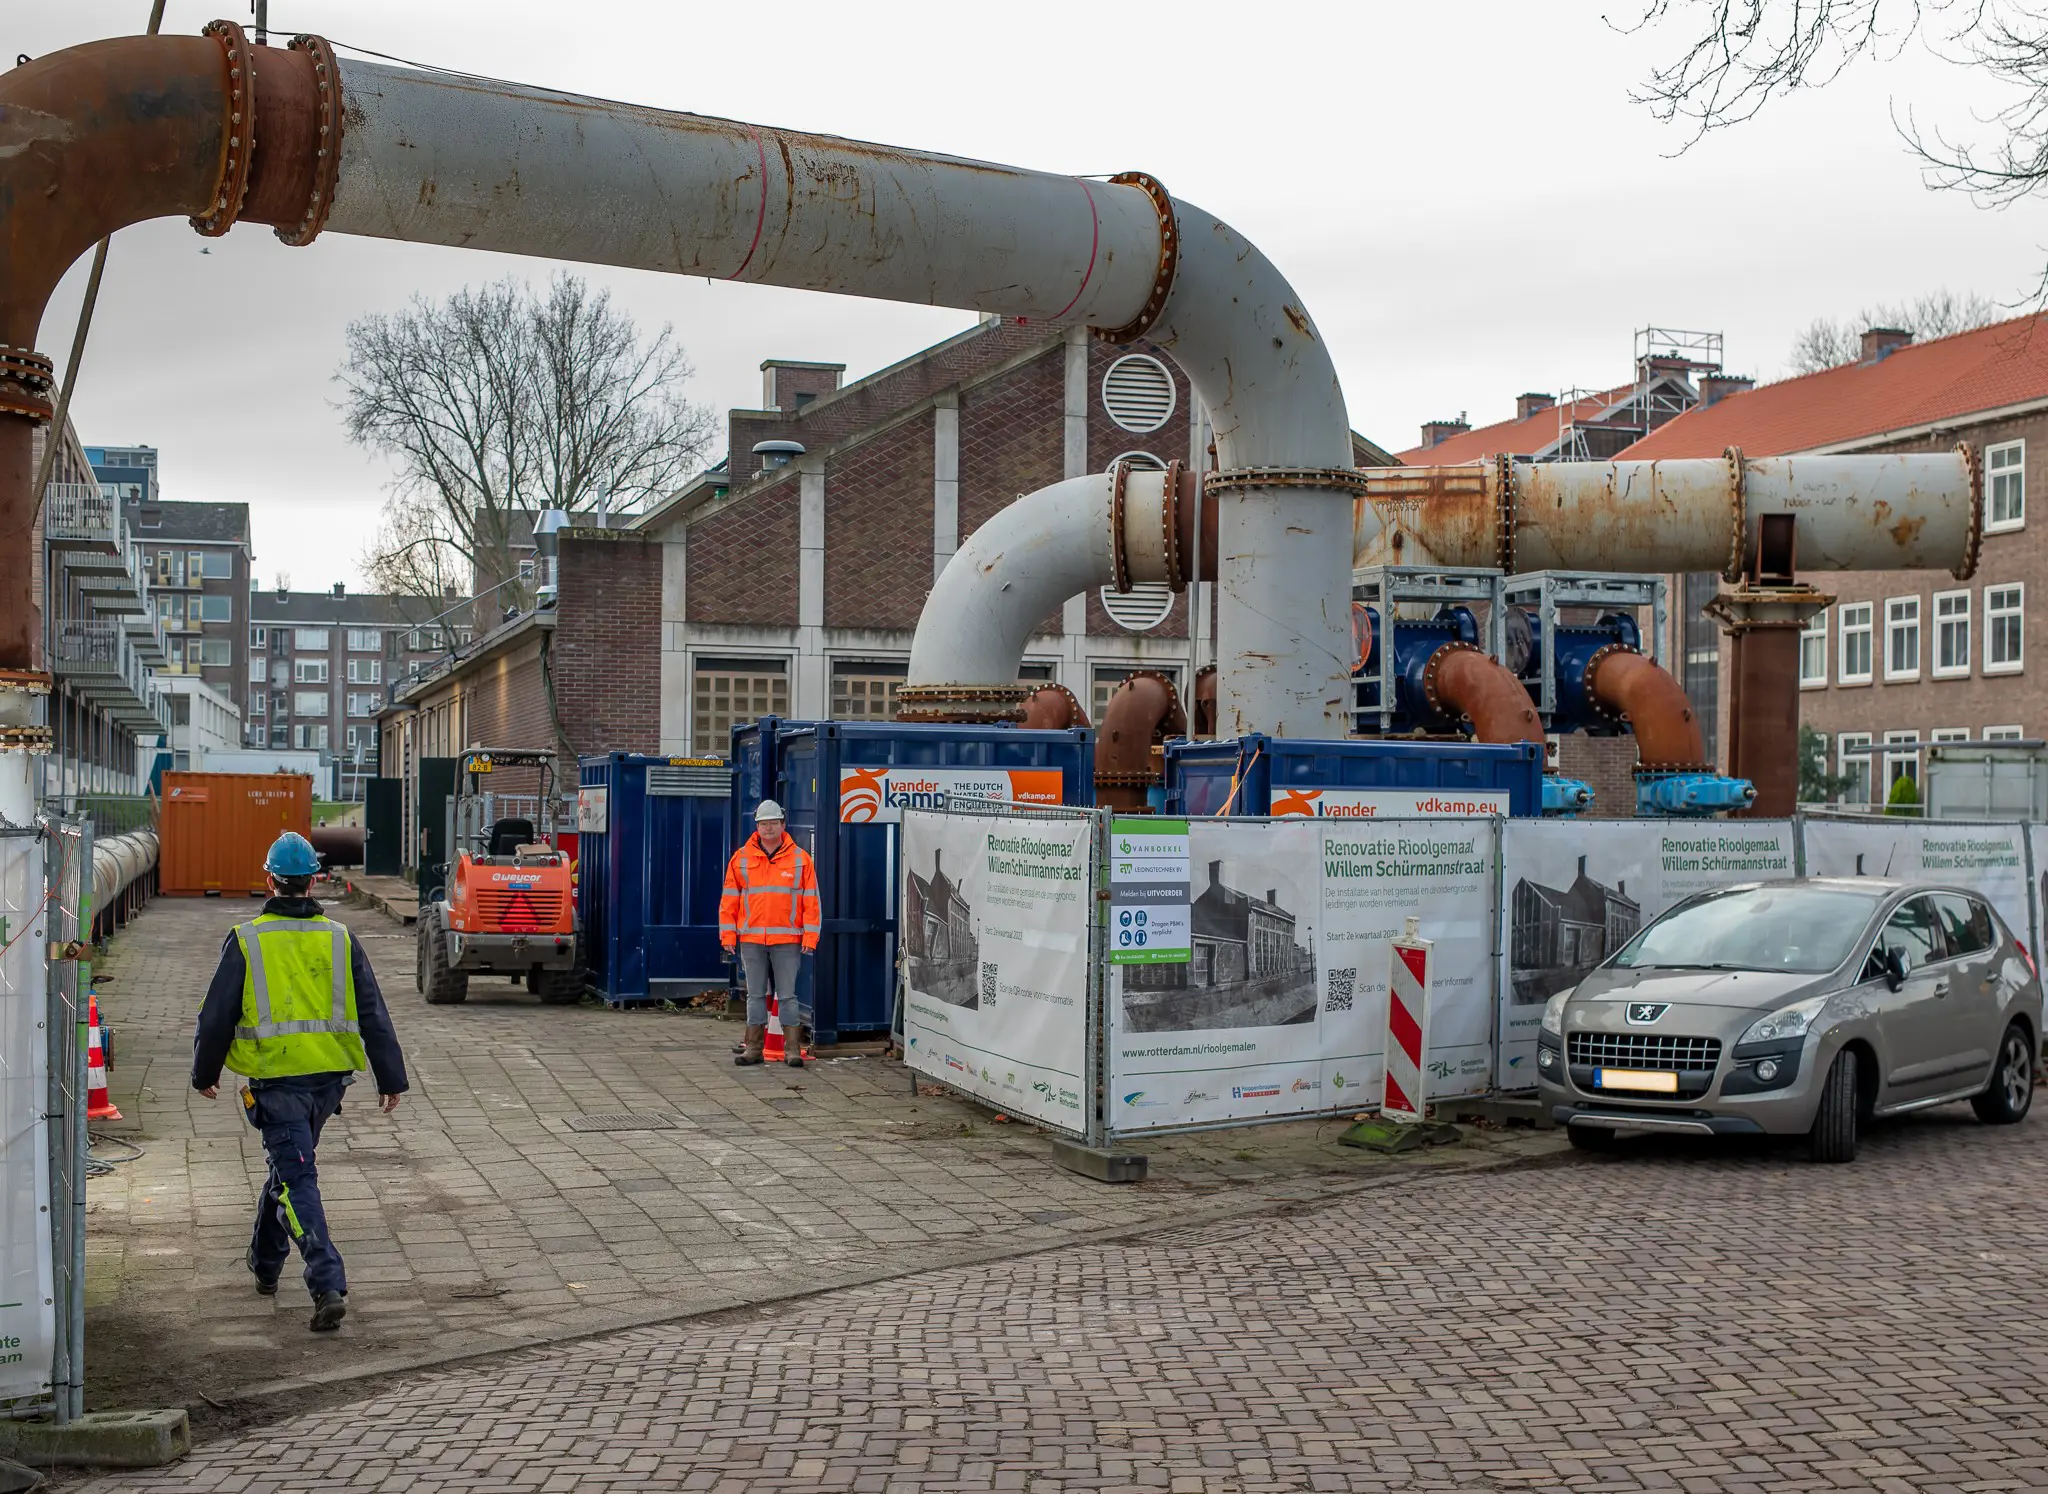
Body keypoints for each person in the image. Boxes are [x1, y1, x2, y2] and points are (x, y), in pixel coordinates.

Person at [191, 831, 409, 1333]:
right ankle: (265, 1266)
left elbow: (216, 1014)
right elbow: (373, 1011)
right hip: (328, 1085)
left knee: (296, 1180)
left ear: (269, 878)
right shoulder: (340, 937)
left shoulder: (247, 938)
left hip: (275, 1084)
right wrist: (389, 1077)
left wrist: (205, 1072)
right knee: (289, 1171)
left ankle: (327, 1283)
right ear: (314, 880)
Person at [719, 800, 821, 1068]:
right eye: (763, 824)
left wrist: (810, 938)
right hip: (751, 939)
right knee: (754, 996)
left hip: (787, 940)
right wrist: (728, 936)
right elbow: (729, 900)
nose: (768, 828)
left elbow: (811, 902)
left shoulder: (800, 859)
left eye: (773, 823)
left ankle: (791, 1051)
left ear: (783, 825)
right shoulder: (741, 858)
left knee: (787, 996)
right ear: (757, 826)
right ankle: (753, 1049)